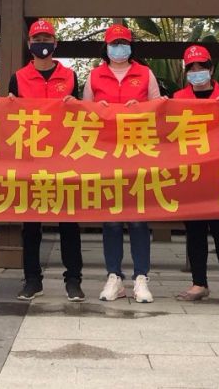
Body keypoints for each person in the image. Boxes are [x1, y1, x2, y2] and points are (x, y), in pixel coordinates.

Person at [83, 23, 163, 303]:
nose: (119, 48)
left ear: (131, 46)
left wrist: (142, 109)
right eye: (114, 43)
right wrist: (97, 111)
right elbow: (84, 116)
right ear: (106, 47)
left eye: (123, 43)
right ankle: (113, 277)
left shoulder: (145, 73)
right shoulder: (94, 75)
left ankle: (141, 277)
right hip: (106, 157)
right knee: (112, 220)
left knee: (139, 219)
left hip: (138, 154)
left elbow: (159, 109)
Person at [7, 19, 84, 302]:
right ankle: (32, 280)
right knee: (31, 224)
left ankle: (73, 280)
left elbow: (83, 116)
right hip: (31, 159)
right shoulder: (18, 78)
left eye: (47, 39)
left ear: (55, 43)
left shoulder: (70, 76)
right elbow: (8, 118)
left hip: (65, 158)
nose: (42, 44)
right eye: (37, 39)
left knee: (69, 223)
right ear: (29, 44)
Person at [172, 44, 219, 306]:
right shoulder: (178, 98)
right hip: (192, 175)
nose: (197, 72)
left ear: (211, 69)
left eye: (202, 67)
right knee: (195, 231)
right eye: (192, 68)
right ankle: (199, 282)